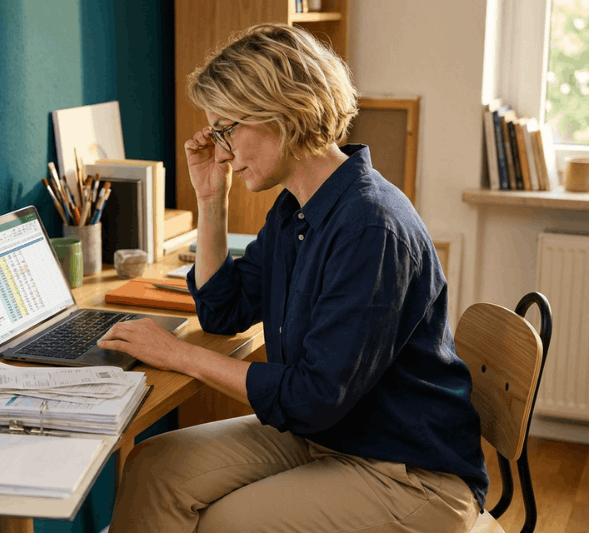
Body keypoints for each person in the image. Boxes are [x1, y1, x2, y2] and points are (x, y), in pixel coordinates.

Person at [98, 22, 489, 532]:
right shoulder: (295, 210)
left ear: (283, 114)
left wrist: (178, 355)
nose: (221, 152)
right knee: (152, 467)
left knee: (222, 523)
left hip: (410, 473)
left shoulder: (370, 227)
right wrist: (211, 200)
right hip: (334, 435)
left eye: (227, 130)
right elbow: (224, 311)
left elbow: (311, 398)